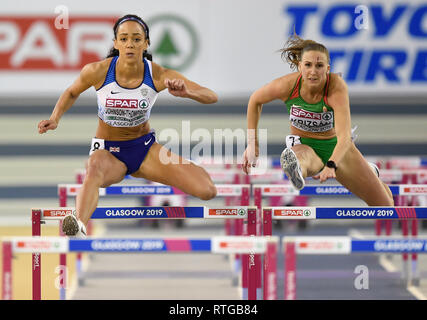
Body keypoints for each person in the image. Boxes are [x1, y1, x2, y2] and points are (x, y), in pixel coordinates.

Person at [38, 14, 218, 237]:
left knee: (207, 191)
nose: (130, 44)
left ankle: (190, 168)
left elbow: (211, 96)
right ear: (115, 43)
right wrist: (55, 118)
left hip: (144, 150)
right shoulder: (98, 71)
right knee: (93, 167)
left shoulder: (158, 74)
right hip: (108, 152)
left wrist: (188, 92)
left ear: (146, 43)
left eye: (136, 39)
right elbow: (72, 92)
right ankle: (78, 222)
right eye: (123, 39)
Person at [242, 34, 394, 207]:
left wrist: (331, 164)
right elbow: (255, 100)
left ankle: (369, 172)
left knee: (385, 206)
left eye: (319, 66)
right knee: (298, 160)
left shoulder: (336, 87)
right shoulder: (287, 85)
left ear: (327, 68)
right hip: (305, 145)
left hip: (336, 146)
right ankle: (295, 167)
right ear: (300, 66)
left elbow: (344, 138)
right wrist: (252, 144)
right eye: (308, 65)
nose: (313, 72)